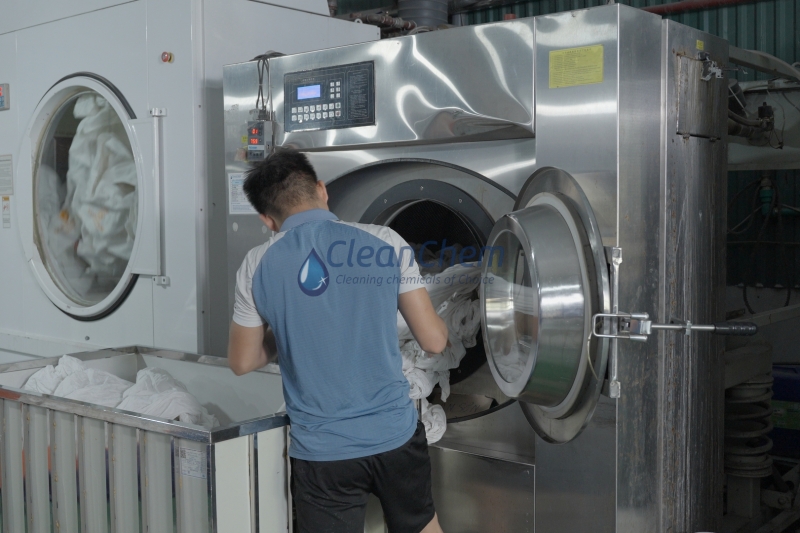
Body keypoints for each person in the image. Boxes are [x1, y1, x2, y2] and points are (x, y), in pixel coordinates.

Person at [227, 149, 448, 533]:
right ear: (321, 190)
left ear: (267, 220)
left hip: (323, 452)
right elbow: (434, 342)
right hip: (394, 435)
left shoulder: (256, 264)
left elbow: (242, 360)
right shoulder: (385, 240)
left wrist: (290, 329)